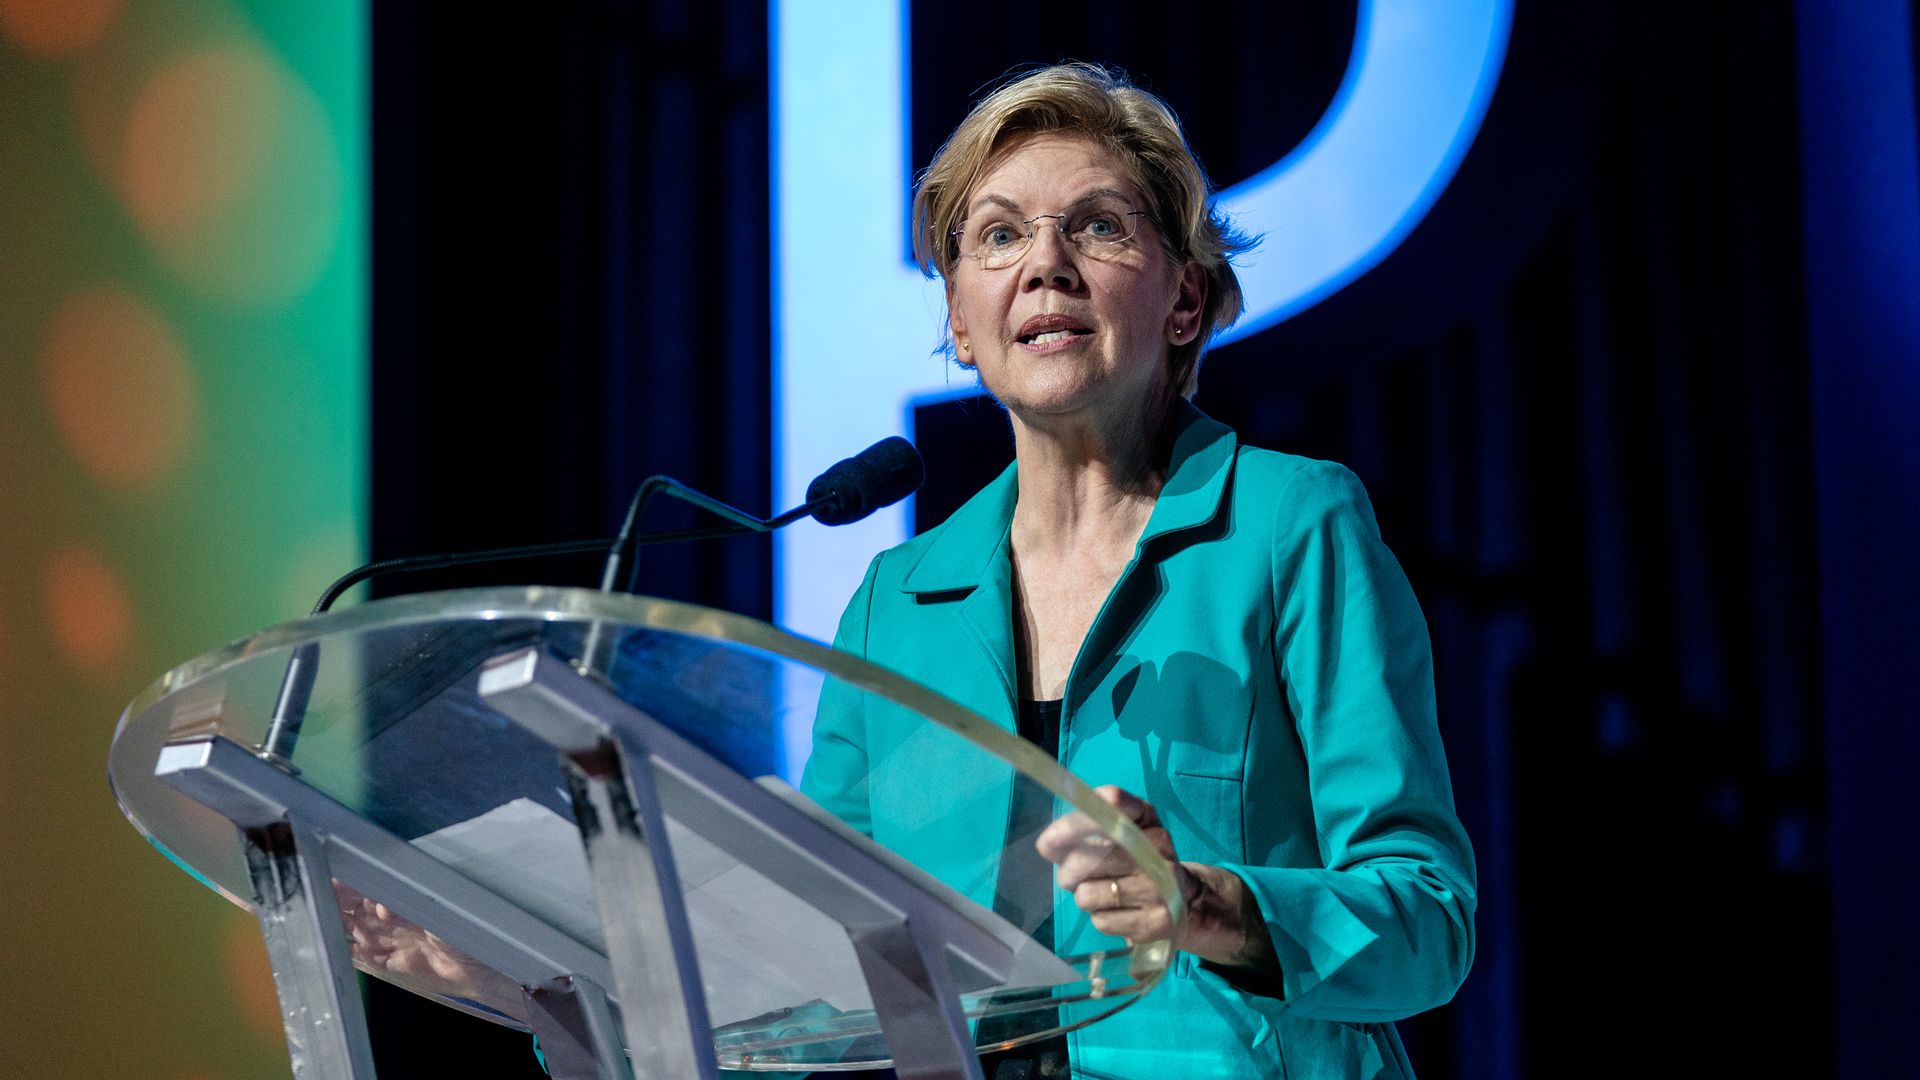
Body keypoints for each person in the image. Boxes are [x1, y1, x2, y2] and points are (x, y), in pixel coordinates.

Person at [799, 63, 1476, 1079]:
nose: (1045, 265)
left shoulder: (1292, 526)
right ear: (958, 323)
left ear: (1186, 299)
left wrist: (1209, 906)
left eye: (1099, 226)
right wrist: (569, 991)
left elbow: (1429, 916)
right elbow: (815, 963)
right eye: (998, 234)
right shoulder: (894, 606)